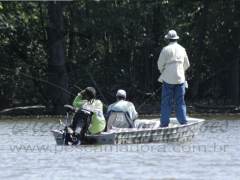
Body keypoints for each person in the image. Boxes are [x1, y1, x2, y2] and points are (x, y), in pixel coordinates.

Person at [157, 30, 190, 127]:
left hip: (168, 80)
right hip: (180, 79)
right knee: (180, 102)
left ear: (168, 39)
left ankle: (164, 124)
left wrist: (165, 71)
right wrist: (180, 71)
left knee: (166, 102)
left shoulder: (165, 49)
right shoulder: (182, 49)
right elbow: (187, 65)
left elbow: (160, 65)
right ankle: (184, 123)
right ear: (176, 39)